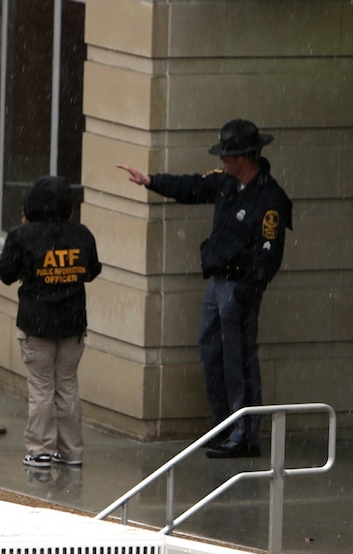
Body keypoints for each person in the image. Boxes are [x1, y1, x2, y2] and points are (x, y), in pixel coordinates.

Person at [118, 118, 293, 459]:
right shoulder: (226, 183)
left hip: (239, 287)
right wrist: (152, 182)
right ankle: (223, 425)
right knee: (211, 351)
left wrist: (246, 291)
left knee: (239, 359)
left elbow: (269, 255)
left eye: (226, 155)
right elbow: (193, 187)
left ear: (243, 157)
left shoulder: (270, 200)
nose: (221, 161)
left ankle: (245, 434)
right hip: (217, 282)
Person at [0, 175, 102, 468]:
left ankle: (40, 449)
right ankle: (71, 452)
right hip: (72, 324)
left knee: (42, 389)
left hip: (36, 324)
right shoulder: (81, 234)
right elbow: (91, 271)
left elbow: (5, 274)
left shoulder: (22, 235)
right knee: (67, 387)